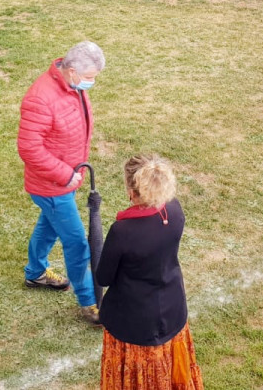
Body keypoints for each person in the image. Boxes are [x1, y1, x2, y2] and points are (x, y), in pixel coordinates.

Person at [97, 154, 202, 390]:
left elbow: (103, 277)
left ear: (132, 192)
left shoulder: (122, 231)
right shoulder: (174, 211)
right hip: (172, 310)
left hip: (134, 325)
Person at [18, 41, 105, 325]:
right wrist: (65, 174)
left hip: (64, 180)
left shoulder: (72, 86)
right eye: (89, 77)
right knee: (77, 243)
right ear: (70, 70)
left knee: (49, 226)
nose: (92, 82)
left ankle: (35, 272)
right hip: (53, 185)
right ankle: (90, 302)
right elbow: (29, 149)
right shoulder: (41, 98)